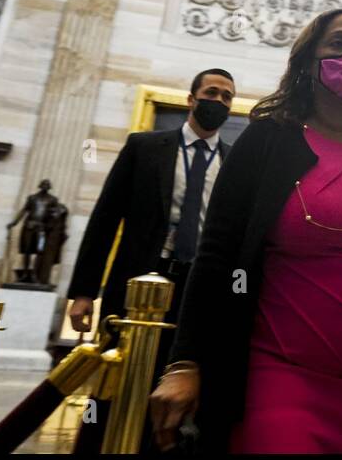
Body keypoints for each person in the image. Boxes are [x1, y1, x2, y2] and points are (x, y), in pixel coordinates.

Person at [149, 9, 342, 454]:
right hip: (276, 371)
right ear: (307, 60)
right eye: (338, 44)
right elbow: (215, 256)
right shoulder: (265, 142)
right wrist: (184, 362)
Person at [67, 68, 237, 345]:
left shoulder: (234, 162)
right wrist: (84, 293)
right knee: (119, 374)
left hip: (196, 288)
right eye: (211, 93)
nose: (218, 100)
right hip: (137, 279)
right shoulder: (144, 147)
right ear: (191, 99)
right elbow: (104, 220)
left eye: (226, 96)